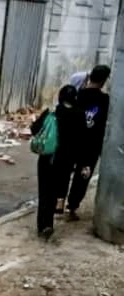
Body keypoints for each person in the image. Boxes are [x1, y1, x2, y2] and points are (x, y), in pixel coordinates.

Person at [31, 85, 85, 240]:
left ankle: (44, 225)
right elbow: (82, 141)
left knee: (44, 193)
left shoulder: (53, 112)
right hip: (66, 161)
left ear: (61, 96)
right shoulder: (80, 115)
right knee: (55, 192)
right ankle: (51, 221)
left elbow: (34, 130)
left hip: (48, 159)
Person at [62, 64, 110, 220]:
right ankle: (72, 208)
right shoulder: (104, 100)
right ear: (104, 80)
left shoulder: (78, 95)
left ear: (90, 76)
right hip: (91, 146)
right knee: (82, 176)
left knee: (64, 172)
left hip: (74, 141)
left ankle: (59, 203)